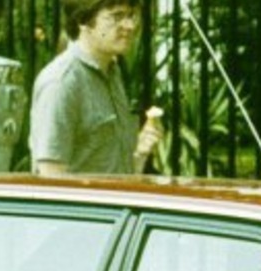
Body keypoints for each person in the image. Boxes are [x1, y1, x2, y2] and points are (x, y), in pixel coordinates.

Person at [30, 0, 163, 176]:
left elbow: (117, 176)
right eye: (117, 16)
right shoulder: (61, 83)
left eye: (130, 15)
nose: (130, 25)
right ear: (83, 20)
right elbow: (51, 179)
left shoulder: (113, 74)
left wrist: (139, 153)